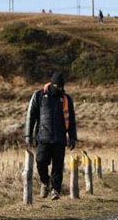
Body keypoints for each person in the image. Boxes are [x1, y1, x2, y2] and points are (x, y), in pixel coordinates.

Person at [25, 72, 78, 200]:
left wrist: (72, 137)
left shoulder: (66, 99)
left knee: (58, 167)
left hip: (60, 138)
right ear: (51, 83)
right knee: (40, 162)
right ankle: (45, 182)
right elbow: (30, 116)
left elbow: (71, 119)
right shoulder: (38, 95)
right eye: (56, 86)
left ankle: (55, 190)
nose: (58, 89)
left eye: (60, 87)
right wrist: (28, 135)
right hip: (43, 137)